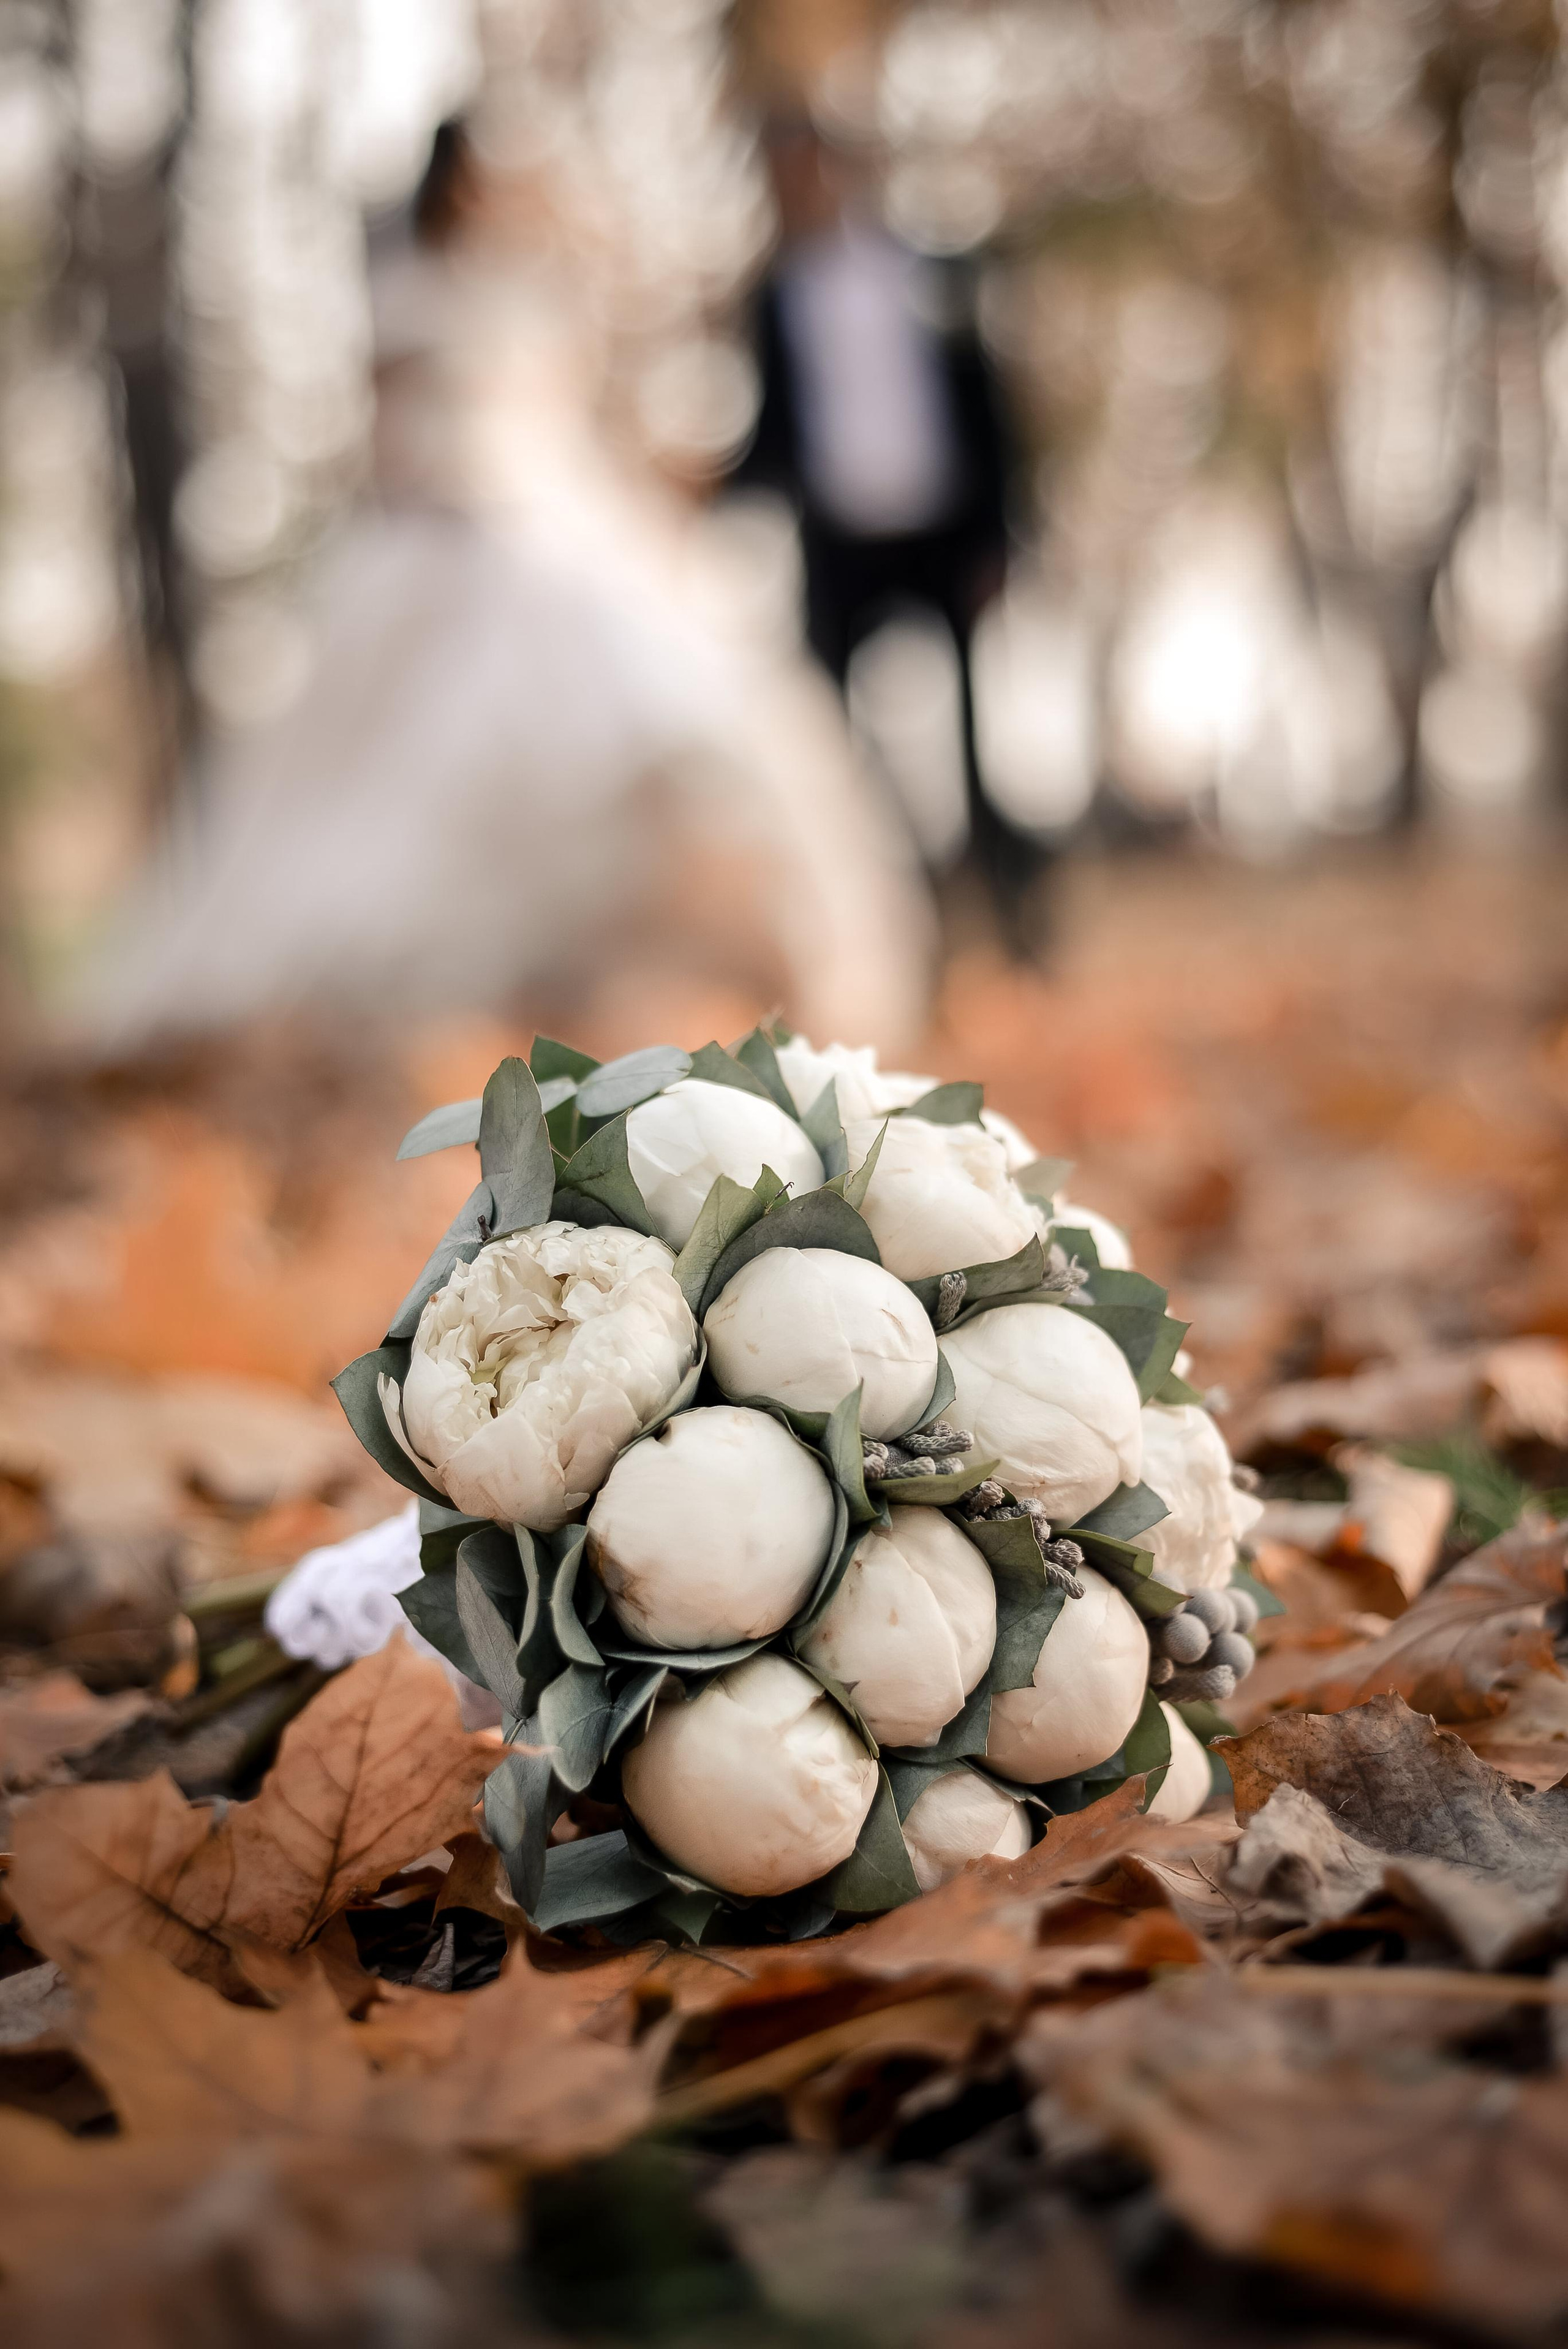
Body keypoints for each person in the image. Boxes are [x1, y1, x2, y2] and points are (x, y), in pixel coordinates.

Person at [731, 115, 1050, 954]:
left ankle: (1013, 912)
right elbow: (772, 436)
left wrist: (1004, 537)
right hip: (840, 549)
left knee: (978, 744)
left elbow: (991, 405)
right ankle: (888, 924)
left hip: (945, 537)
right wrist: (705, 485)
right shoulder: (774, 295)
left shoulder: (933, 271)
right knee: (835, 749)